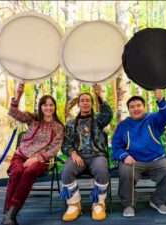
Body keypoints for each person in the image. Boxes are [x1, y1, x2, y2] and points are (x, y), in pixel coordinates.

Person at [2, 83, 64, 225]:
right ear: (41, 107)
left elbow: (54, 149)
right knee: (17, 172)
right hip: (21, 155)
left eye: (51, 105)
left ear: (54, 107)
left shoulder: (59, 127)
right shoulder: (33, 119)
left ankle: (11, 213)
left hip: (42, 160)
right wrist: (18, 94)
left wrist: (36, 158)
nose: (48, 108)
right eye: (45, 105)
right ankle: (7, 215)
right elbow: (13, 112)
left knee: (28, 172)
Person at [112, 89, 166, 217]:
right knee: (125, 170)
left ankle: (157, 200)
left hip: (156, 159)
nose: (136, 109)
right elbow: (116, 146)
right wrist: (124, 156)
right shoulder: (123, 125)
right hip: (134, 160)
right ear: (128, 110)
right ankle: (128, 204)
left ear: (144, 107)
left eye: (139, 106)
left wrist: (160, 100)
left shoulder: (152, 119)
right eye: (132, 107)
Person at [61, 84, 113, 221]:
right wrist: (73, 153)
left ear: (91, 104)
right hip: (79, 157)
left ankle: (98, 203)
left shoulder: (99, 120)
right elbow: (65, 144)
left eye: (88, 100)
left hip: (97, 156)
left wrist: (98, 96)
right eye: (82, 100)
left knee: (102, 170)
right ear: (78, 104)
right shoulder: (71, 124)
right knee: (66, 172)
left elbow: (108, 114)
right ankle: (74, 204)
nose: (85, 103)